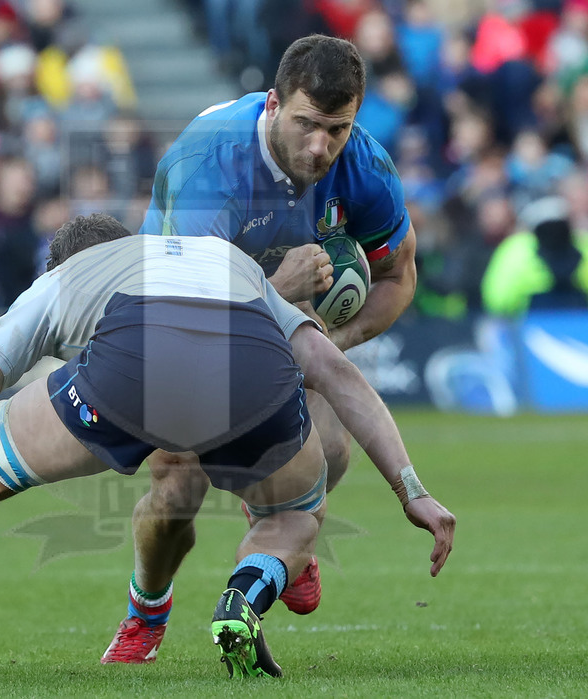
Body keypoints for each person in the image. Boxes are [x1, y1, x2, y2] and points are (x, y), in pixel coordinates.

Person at [0, 214, 455, 682]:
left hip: (128, 364)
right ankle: (245, 593)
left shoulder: (63, 284)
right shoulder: (220, 258)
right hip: (252, 371)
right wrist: (412, 490)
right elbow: (336, 372)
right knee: (292, 517)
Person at [106, 33, 419, 661]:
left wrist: (331, 341)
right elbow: (193, 312)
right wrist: (280, 292)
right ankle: (147, 611)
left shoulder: (364, 165)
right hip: (184, 321)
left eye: (337, 128)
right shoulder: (209, 164)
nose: (320, 146)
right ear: (273, 104)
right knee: (176, 486)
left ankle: (281, 526)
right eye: (307, 124)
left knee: (328, 453)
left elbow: (398, 276)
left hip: (284, 323)